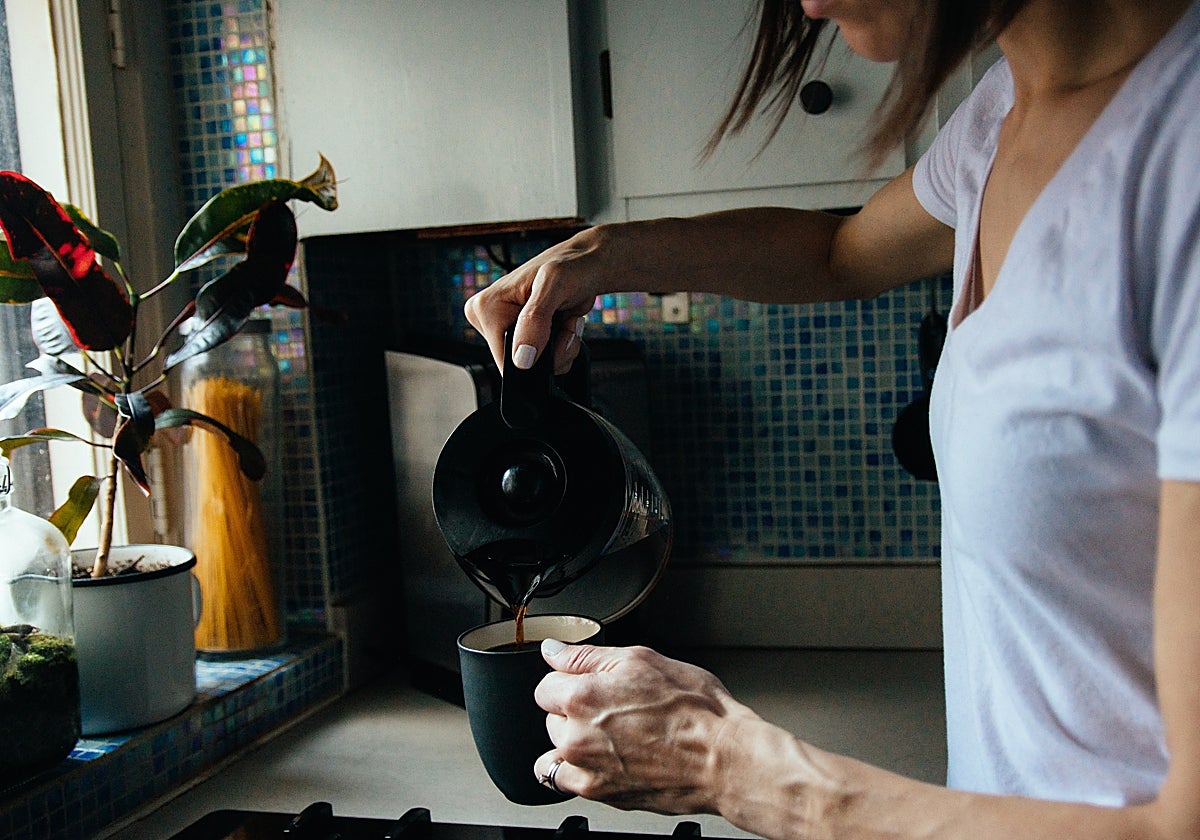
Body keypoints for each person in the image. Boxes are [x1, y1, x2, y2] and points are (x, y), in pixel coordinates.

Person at [463, 0, 1200, 837]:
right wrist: (599, 254)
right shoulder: (1004, 108)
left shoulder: (1179, 149)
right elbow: (838, 253)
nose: (807, 4)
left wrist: (728, 766)